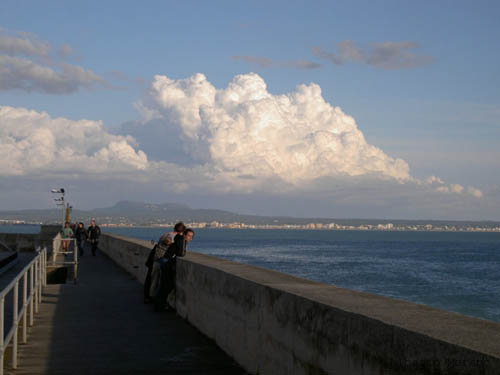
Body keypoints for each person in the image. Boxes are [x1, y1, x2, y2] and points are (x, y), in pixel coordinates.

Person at [144, 222, 186, 303]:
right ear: (182, 231)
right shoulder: (174, 236)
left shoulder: (166, 234)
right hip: (163, 260)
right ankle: (154, 298)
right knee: (160, 281)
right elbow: (168, 242)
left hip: (156, 258)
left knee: (154, 279)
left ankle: (150, 296)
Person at [153, 228, 194, 312]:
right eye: (189, 236)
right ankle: (160, 305)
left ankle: (159, 304)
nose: (190, 238)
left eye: (191, 236)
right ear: (185, 235)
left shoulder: (178, 239)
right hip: (167, 264)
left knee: (164, 285)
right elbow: (181, 253)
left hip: (164, 262)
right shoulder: (182, 240)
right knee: (167, 286)